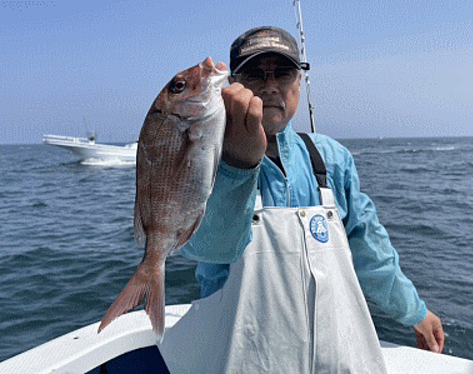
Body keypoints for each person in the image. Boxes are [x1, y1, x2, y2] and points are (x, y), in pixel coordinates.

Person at [162, 26, 445, 373]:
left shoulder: (331, 158)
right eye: (255, 73)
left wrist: (415, 311)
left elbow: (370, 250)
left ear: (300, 82)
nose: (269, 85)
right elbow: (208, 248)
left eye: (283, 72)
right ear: (230, 85)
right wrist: (238, 165)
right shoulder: (207, 157)